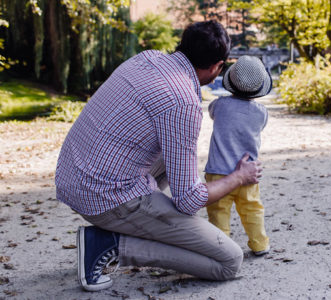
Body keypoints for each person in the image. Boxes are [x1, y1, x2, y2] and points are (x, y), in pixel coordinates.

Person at [54, 21, 263, 292]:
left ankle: (145, 222)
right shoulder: (183, 102)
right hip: (104, 195)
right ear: (217, 66)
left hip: (74, 175)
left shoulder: (147, 58)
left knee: (175, 154)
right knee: (228, 261)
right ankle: (109, 245)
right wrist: (238, 177)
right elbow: (190, 200)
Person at [204, 55, 271, 256]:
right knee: (252, 210)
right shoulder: (261, 113)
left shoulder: (220, 105)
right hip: (248, 174)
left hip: (218, 174)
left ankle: (221, 248)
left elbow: (211, 112)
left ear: (230, 82)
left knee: (218, 213)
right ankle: (259, 244)